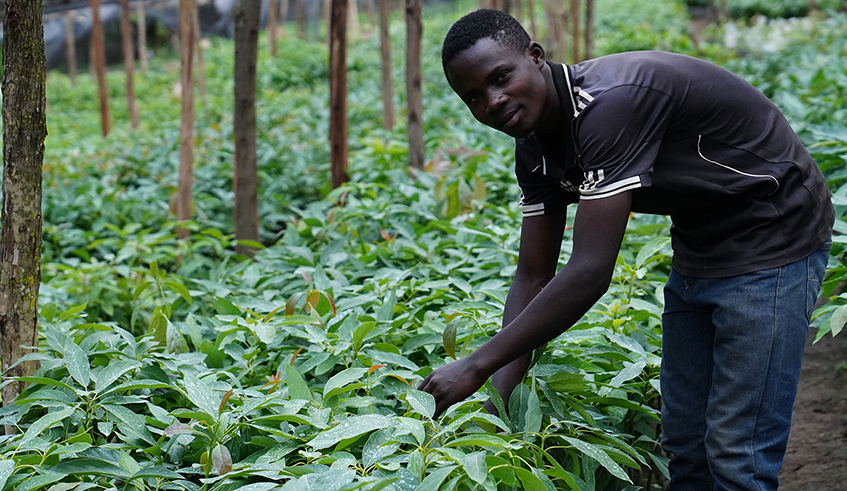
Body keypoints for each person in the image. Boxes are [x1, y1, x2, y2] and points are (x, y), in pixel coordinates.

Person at [417, 9, 834, 491]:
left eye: (501, 77)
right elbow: (533, 276)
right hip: (700, 242)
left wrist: (475, 365)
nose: (493, 101)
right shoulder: (534, 148)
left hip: (775, 235)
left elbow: (591, 271)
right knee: (686, 442)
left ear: (535, 56)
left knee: (738, 454)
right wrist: (497, 403)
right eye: (473, 97)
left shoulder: (611, 104)